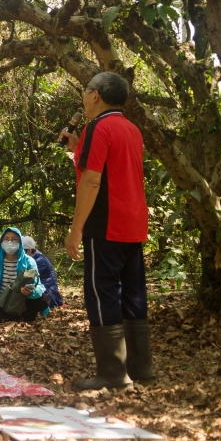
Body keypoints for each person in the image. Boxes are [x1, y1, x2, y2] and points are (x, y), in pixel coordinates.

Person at [62, 71, 154, 389]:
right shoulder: (132, 129)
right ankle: (141, 367)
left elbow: (92, 180)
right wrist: (77, 150)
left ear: (96, 95)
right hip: (134, 221)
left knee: (101, 292)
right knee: (133, 291)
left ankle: (112, 372)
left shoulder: (98, 127)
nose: (84, 99)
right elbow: (111, 169)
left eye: (86, 93)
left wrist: (76, 230)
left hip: (106, 224)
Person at [0, 227, 49, 324]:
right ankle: (11, 318)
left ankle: (4, 318)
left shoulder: (29, 261)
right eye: (6, 239)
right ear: (1, 241)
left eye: (14, 239)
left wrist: (31, 292)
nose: (10, 242)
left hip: (21, 302)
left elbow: (38, 285)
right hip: (0, 301)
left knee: (44, 300)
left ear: (20, 243)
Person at [23, 235, 65, 308]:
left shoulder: (39, 261)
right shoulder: (35, 257)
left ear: (29, 250)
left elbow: (27, 278)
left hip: (48, 294)